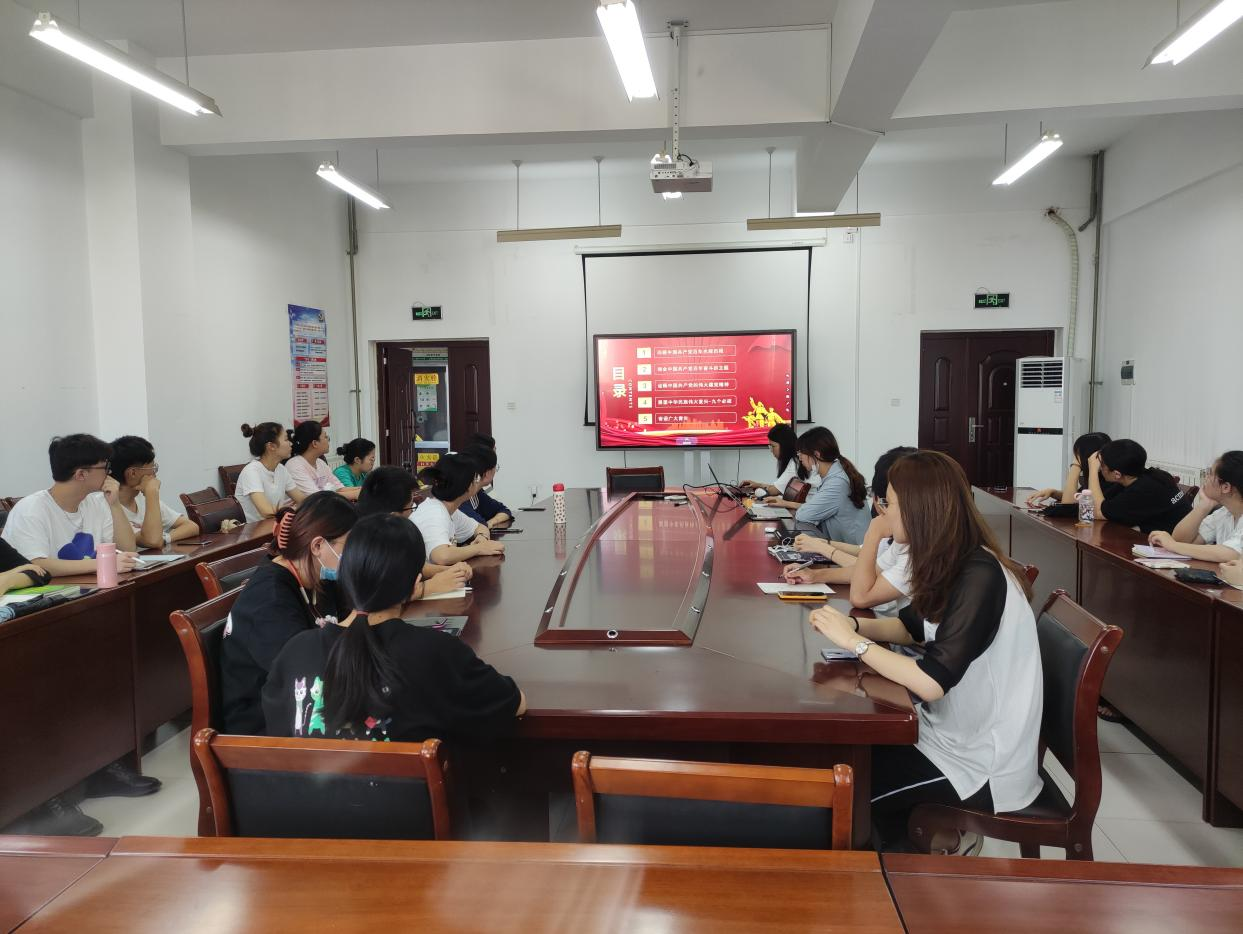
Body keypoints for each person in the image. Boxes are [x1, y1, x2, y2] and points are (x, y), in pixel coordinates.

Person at [807, 450, 1042, 852]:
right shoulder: (948, 559)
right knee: (839, 765)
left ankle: (907, 865)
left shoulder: (979, 575)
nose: (884, 514)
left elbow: (932, 682)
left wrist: (854, 643)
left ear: (919, 509)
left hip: (979, 762)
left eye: (891, 505)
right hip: (941, 731)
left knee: (842, 800)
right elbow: (909, 628)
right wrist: (854, 626)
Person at [263, 514, 525, 742]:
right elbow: (515, 704)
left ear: (345, 574)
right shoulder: (433, 652)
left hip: (302, 787)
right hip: (406, 788)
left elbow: (277, 737)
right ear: (415, 583)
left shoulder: (296, 652)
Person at [220, 492, 355, 734]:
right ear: (317, 546)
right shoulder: (268, 600)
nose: (354, 556)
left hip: (304, 704)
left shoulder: (318, 576)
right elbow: (302, 670)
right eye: (350, 547)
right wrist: (365, 611)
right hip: (265, 728)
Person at [786, 446, 915, 605]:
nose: (882, 509)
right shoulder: (903, 543)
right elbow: (870, 568)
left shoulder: (913, 552)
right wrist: (814, 575)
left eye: (888, 502)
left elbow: (862, 592)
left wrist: (872, 535)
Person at [2, 434, 139, 577]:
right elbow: (35, 566)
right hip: (50, 589)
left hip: (89, 584)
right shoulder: (31, 509)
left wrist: (115, 504)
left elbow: (127, 549)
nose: (109, 472)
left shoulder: (96, 503)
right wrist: (104, 563)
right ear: (81, 474)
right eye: (105, 467)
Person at [357, 466, 472, 596]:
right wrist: (429, 587)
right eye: (411, 506)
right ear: (392, 517)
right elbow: (378, 596)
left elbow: (412, 567)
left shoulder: (383, 531)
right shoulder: (362, 546)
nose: (412, 512)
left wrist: (449, 571)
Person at [765, 427, 870, 546]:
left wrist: (796, 506)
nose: (799, 457)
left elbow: (803, 515)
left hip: (852, 550)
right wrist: (787, 504)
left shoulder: (837, 482)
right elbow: (813, 508)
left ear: (816, 454)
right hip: (841, 544)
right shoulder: (834, 474)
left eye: (801, 453)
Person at [1149, 451, 1243, 562]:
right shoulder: (1224, 513)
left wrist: (1172, 545)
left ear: (1226, 487)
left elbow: (1231, 554)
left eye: (1210, 474)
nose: (1206, 478)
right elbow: (1182, 541)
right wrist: (1204, 506)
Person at [412, 454, 505, 565]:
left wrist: (482, 537)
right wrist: (479, 548)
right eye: (475, 478)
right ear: (467, 486)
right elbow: (442, 556)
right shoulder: (435, 513)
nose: (477, 482)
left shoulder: (450, 510)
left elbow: (480, 527)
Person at [109, 436, 200, 549]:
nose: (155, 473)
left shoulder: (140, 499)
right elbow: (152, 541)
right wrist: (152, 492)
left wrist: (165, 538)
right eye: (152, 467)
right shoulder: (109, 505)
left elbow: (192, 526)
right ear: (132, 473)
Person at [1088, 439, 1192, 534]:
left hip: (1175, 543)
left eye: (1102, 465)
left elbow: (1097, 512)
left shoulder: (1141, 490)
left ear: (1117, 474)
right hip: (1181, 534)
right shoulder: (1152, 475)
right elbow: (1105, 502)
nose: (1100, 468)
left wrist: (1092, 469)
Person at [236, 422, 308, 523]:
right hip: (253, 530)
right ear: (271, 446)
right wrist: (292, 509)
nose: (291, 443)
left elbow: (302, 499)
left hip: (274, 525)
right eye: (286, 439)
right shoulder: (251, 471)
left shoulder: (281, 469)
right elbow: (266, 512)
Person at [1025, 432, 1113, 506]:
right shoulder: (1098, 476)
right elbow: (1078, 496)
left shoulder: (1110, 482)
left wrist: (1076, 466)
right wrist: (1054, 492)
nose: (1076, 459)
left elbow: (1068, 505)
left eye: (1078, 455)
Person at [286, 421, 361, 501]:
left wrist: (362, 489)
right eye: (325, 437)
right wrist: (355, 494)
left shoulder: (320, 463)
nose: (328, 439)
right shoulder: (295, 465)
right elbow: (316, 497)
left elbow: (339, 488)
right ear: (315, 443)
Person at [741, 423, 807, 498]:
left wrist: (758, 489)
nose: (771, 450)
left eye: (773, 446)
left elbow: (774, 490)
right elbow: (777, 488)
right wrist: (758, 485)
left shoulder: (794, 464)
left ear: (785, 445)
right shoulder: (793, 460)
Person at [459, 443, 513, 530]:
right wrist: (486, 525)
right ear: (487, 473)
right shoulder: (460, 497)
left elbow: (504, 510)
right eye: (495, 468)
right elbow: (480, 526)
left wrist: (490, 523)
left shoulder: (477, 491)